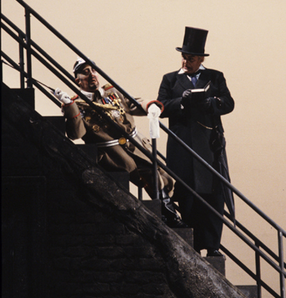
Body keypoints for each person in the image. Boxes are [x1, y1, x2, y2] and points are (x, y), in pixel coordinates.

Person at [54, 57, 187, 228]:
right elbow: (76, 133)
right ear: (77, 79)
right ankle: (170, 217)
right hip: (113, 153)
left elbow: (133, 102)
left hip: (135, 144)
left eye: (93, 70)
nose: (92, 75)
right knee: (151, 175)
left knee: (166, 178)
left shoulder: (111, 92)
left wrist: (150, 106)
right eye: (85, 72)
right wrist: (69, 106)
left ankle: (168, 215)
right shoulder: (78, 104)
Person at [157, 27, 235, 256]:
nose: (186, 61)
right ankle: (190, 245)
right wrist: (182, 101)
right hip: (182, 147)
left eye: (190, 58)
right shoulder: (170, 79)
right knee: (186, 196)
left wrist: (208, 103)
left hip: (209, 147)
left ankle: (211, 247)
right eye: (183, 57)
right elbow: (161, 107)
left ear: (200, 58)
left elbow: (228, 103)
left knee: (212, 197)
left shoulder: (215, 77)